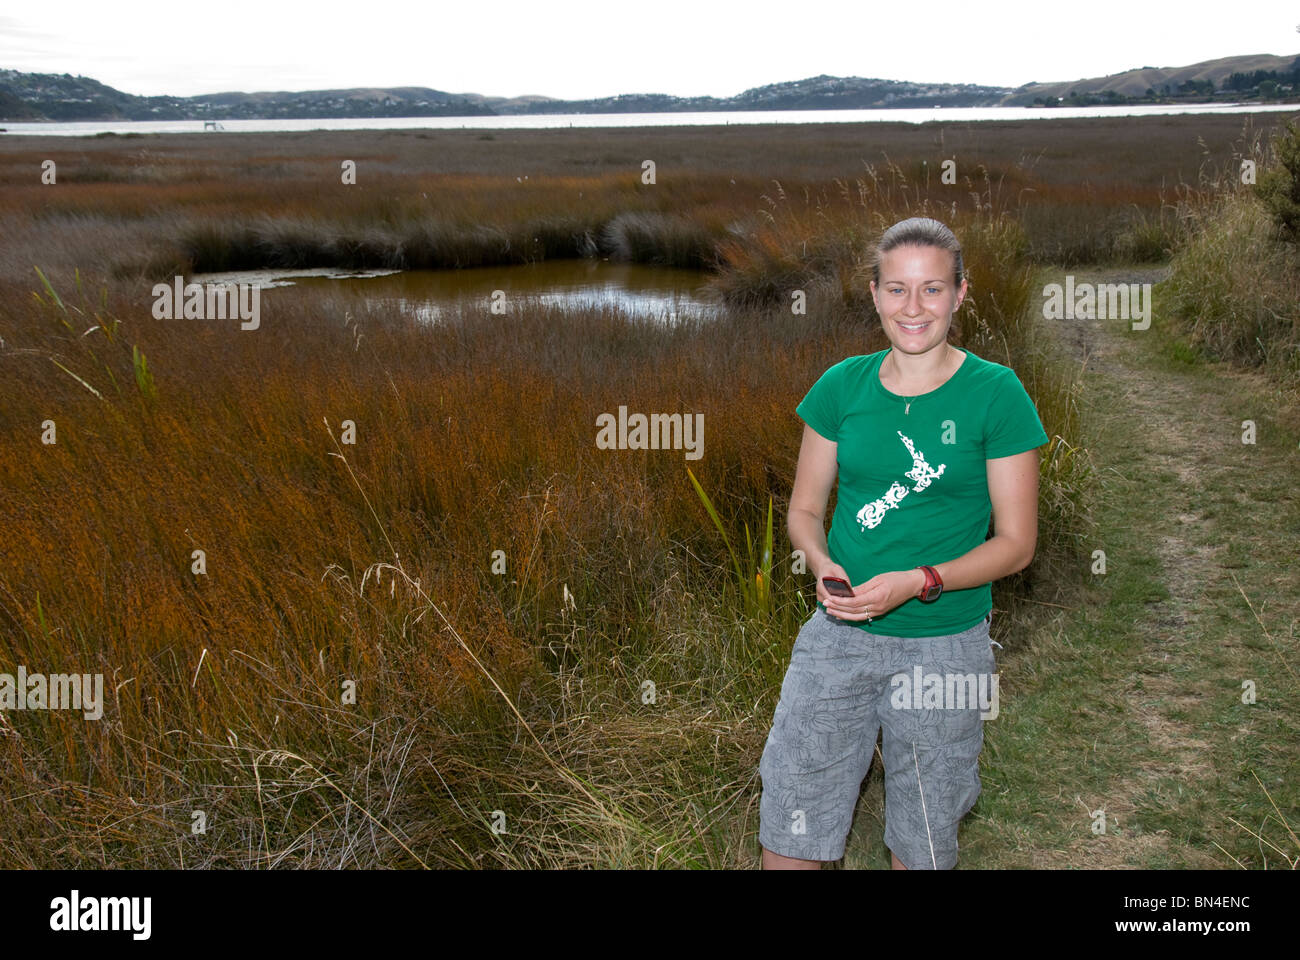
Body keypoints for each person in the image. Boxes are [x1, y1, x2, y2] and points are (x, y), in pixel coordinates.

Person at [758, 216, 1049, 870]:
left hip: (944, 643)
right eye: (896, 289)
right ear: (873, 293)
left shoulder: (997, 395)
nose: (913, 308)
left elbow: (1016, 543)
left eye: (932, 290)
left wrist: (921, 580)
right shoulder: (841, 387)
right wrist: (823, 562)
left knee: (923, 828)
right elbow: (804, 510)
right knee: (792, 809)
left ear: (961, 293)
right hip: (838, 632)